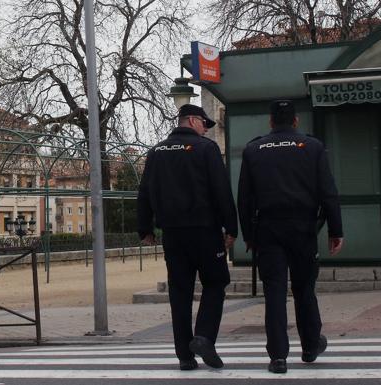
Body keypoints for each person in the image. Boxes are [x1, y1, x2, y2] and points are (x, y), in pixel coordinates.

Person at [237, 100, 343, 374]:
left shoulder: (253, 149)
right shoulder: (313, 147)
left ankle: (278, 357)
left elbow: (245, 199)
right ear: (296, 121)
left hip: (268, 229)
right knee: (304, 287)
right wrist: (335, 230)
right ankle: (310, 346)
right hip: (303, 227)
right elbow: (328, 192)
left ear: (270, 122)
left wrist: (248, 235)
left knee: (274, 292)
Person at [137, 104, 238, 371]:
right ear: (192, 120)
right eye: (205, 124)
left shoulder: (156, 151)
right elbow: (221, 189)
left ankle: (184, 355)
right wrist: (232, 227)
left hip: (172, 233)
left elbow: (145, 191)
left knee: (179, 292)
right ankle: (204, 337)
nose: (206, 129)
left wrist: (144, 228)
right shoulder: (207, 149)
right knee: (216, 282)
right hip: (204, 231)